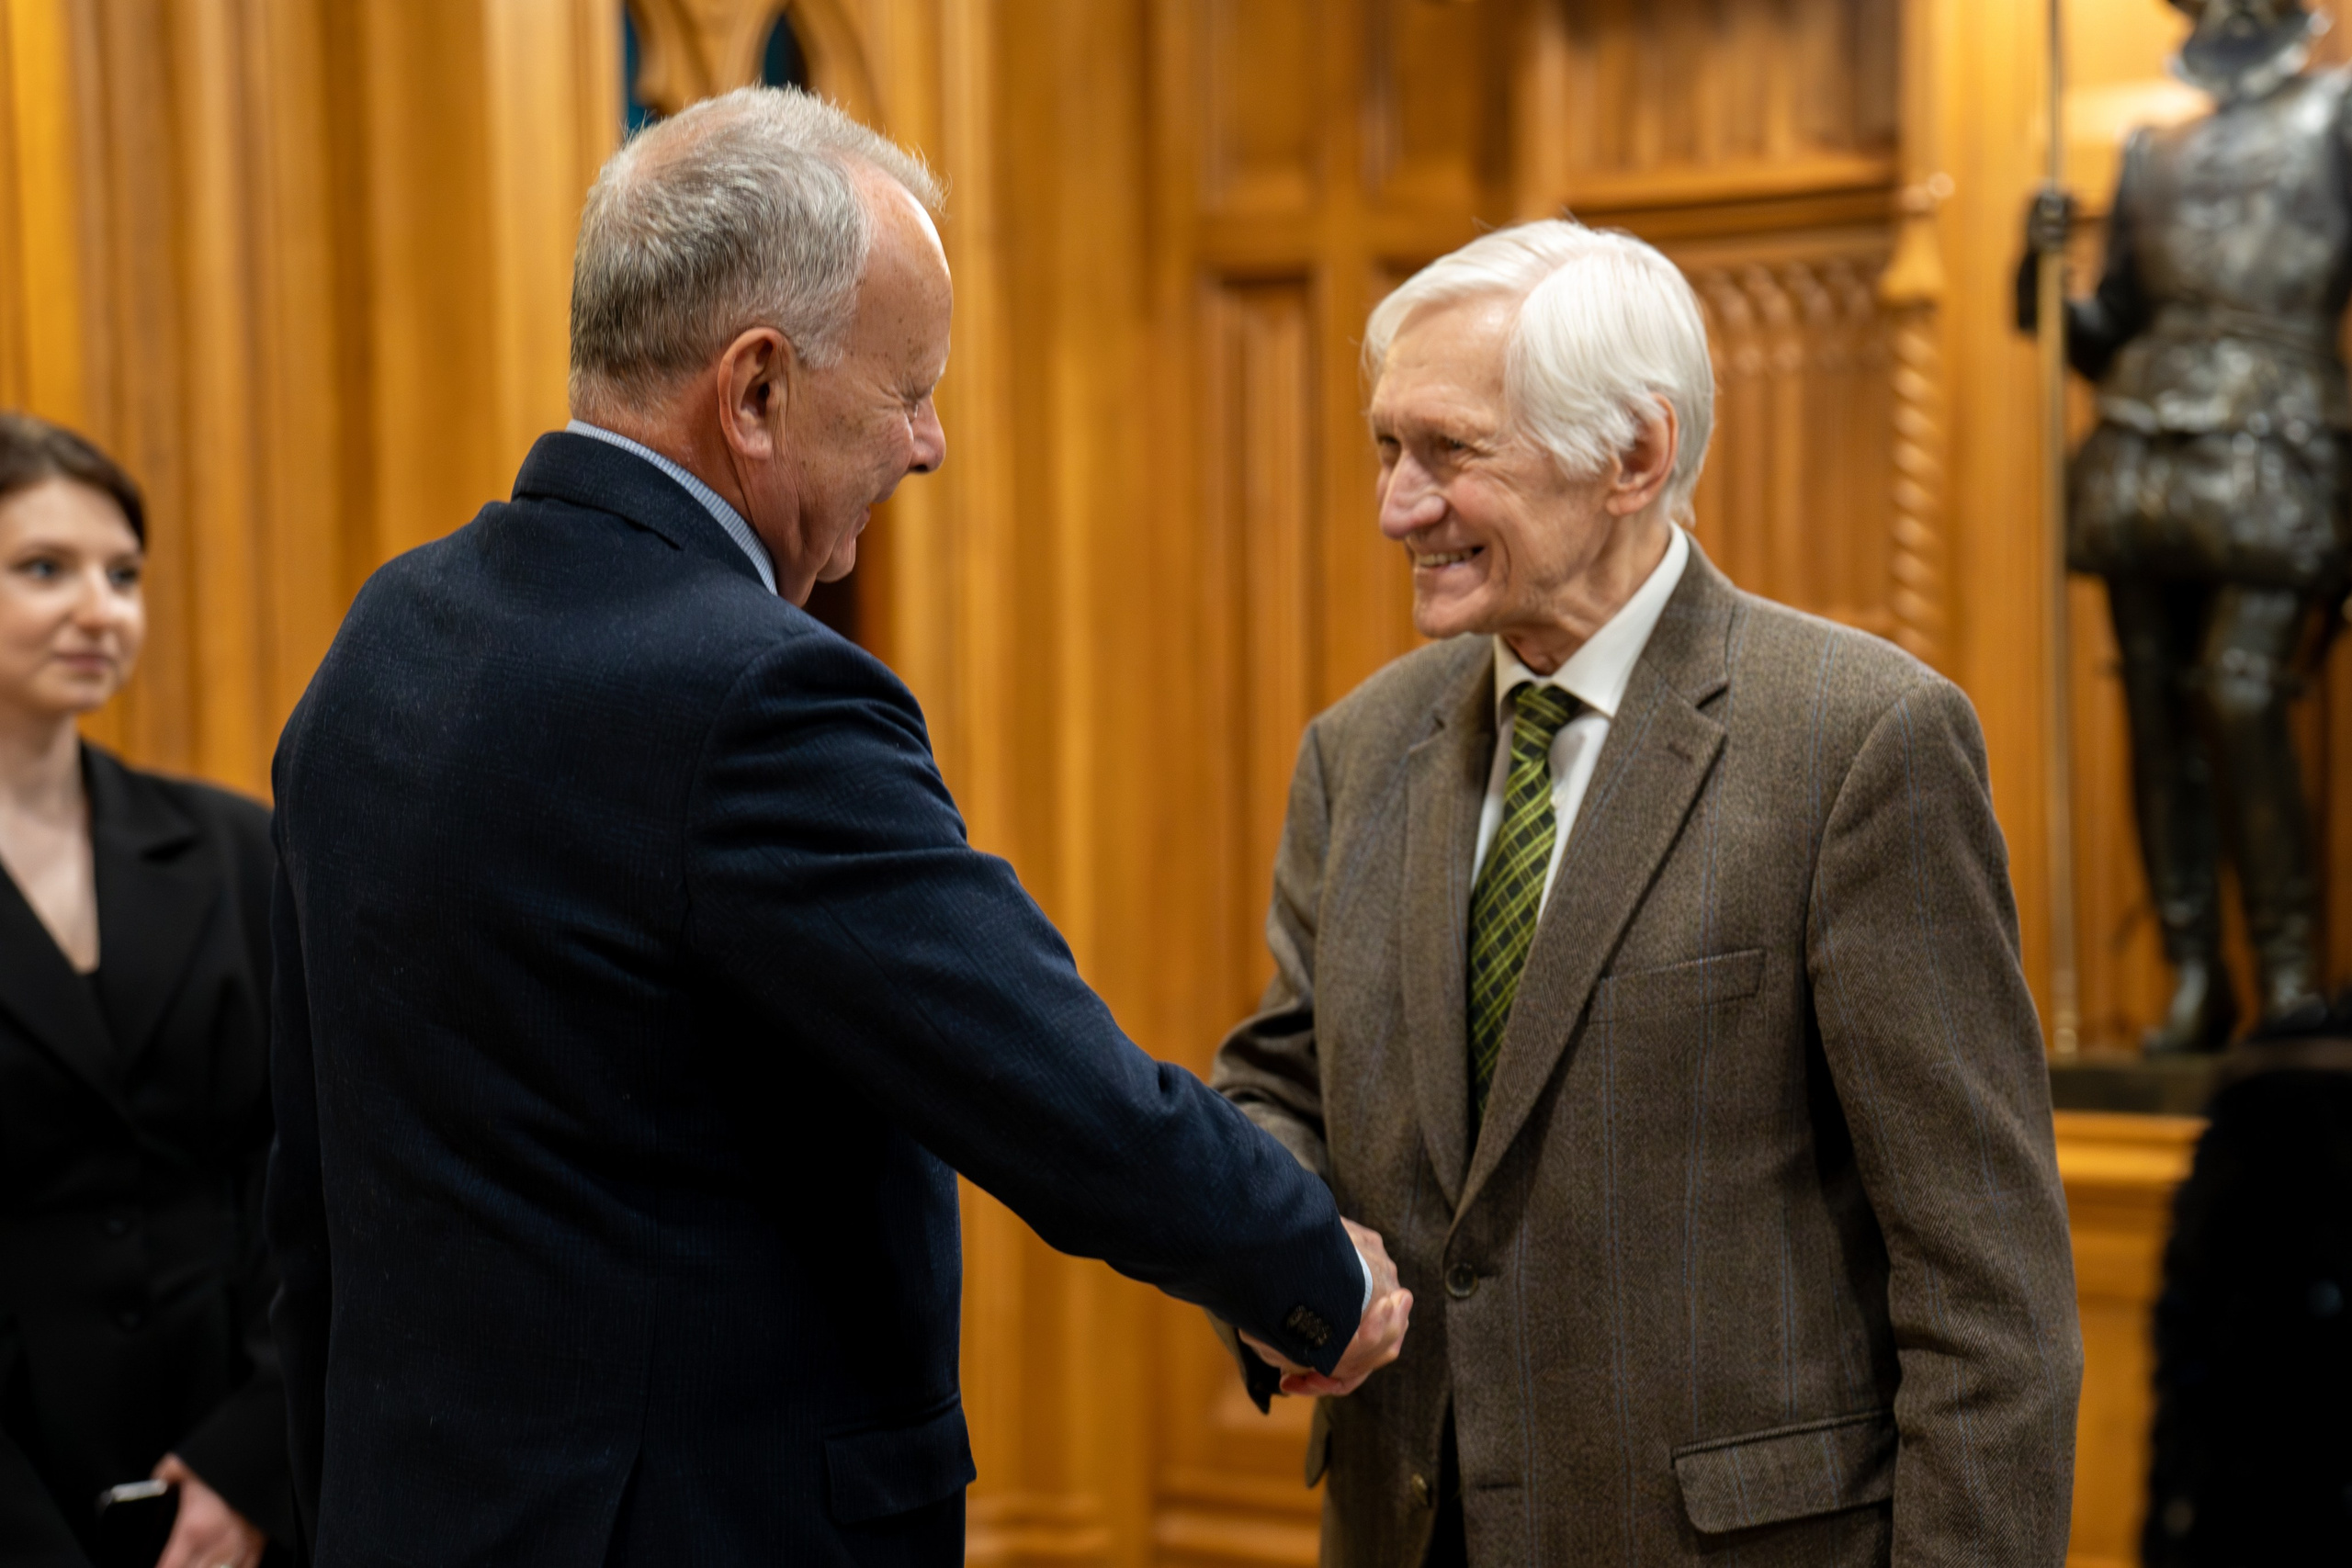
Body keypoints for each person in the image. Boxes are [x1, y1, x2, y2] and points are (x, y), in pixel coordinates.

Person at [265, 85, 1410, 1568]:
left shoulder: (389, 634)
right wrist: (1310, 1267)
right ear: (753, 392)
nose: (930, 444)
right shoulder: (750, 694)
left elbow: (308, 1191)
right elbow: (1041, 1083)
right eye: (908, 388)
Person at [1212, 221, 2083, 1566]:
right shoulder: (1358, 749)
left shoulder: (1858, 742)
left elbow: (1990, 1299)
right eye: (1388, 446)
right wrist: (1281, 1248)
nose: (1397, 503)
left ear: (1634, 455)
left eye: (1451, 450)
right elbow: (1278, 1081)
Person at [2015, 0, 2345, 1052]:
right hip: (2140, 447)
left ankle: (2289, 973)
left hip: (2280, 434)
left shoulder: (2338, 112)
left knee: (2241, 694)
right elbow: (2105, 335)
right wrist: (2040, 268)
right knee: (2157, 712)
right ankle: (2194, 977)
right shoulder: (2154, 145)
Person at [0, 414, 290, 1568]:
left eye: (123, 575)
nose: (100, 609)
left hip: (233, 1488)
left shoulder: (234, 846)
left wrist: (253, 1461)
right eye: (44, 570)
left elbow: (312, 1172)